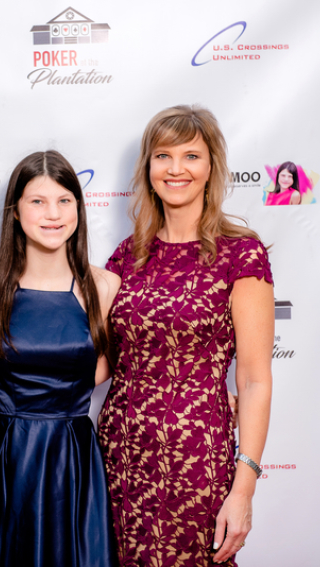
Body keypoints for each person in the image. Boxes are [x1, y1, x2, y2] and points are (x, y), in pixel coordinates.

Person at [99, 105, 273, 566]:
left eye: (191, 156)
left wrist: (244, 487)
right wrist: (14, 391)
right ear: (148, 168)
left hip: (198, 461)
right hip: (120, 457)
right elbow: (98, 363)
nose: (176, 169)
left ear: (211, 166)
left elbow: (254, 381)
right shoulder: (126, 257)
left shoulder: (242, 254)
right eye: (163, 156)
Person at [0, 151, 120, 567]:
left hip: (71, 461)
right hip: (1, 459)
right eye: (38, 201)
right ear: (15, 211)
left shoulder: (105, 285)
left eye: (65, 200)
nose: (53, 214)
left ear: (79, 210)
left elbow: (105, 370)